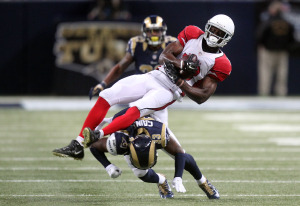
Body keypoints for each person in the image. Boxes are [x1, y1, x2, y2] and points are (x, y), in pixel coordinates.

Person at [52, 14, 234, 176]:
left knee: (135, 110)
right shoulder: (193, 33)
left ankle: (98, 135)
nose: (214, 35)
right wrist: (180, 65)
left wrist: (181, 82)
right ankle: (78, 144)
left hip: (169, 91)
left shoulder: (222, 63)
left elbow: (201, 97)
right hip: (155, 76)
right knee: (107, 95)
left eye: (220, 33)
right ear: (207, 26)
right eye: (213, 29)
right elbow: (165, 55)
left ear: (226, 38)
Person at [83, 114, 219, 199]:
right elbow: (92, 145)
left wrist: (178, 177)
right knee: (141, 173)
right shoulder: (120, 141)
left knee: (182, 153)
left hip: (154, 117)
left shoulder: (159, 135)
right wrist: (108, 166)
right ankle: (161, 181)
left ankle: (203, 182)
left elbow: (179, 153)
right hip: (127, 123)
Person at [88, 14, 177, 100]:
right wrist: (103, 84)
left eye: (157, 31)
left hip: (164, 90)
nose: (154, 34)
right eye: (150, 31)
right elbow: (120, 68)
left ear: (163, 31)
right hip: (141, 90)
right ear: (144, 32)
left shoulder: (172, 44)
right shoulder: (137, 44)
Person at [256, 0, 295, 96]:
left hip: (268, 52)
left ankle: (264, 94)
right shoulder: (287, 23)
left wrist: (261, 45)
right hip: (282, 52)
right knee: (282, 75)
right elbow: (292, 38)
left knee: (265, 74)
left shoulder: (268, 22)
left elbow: (259, 35)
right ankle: (281, 94)